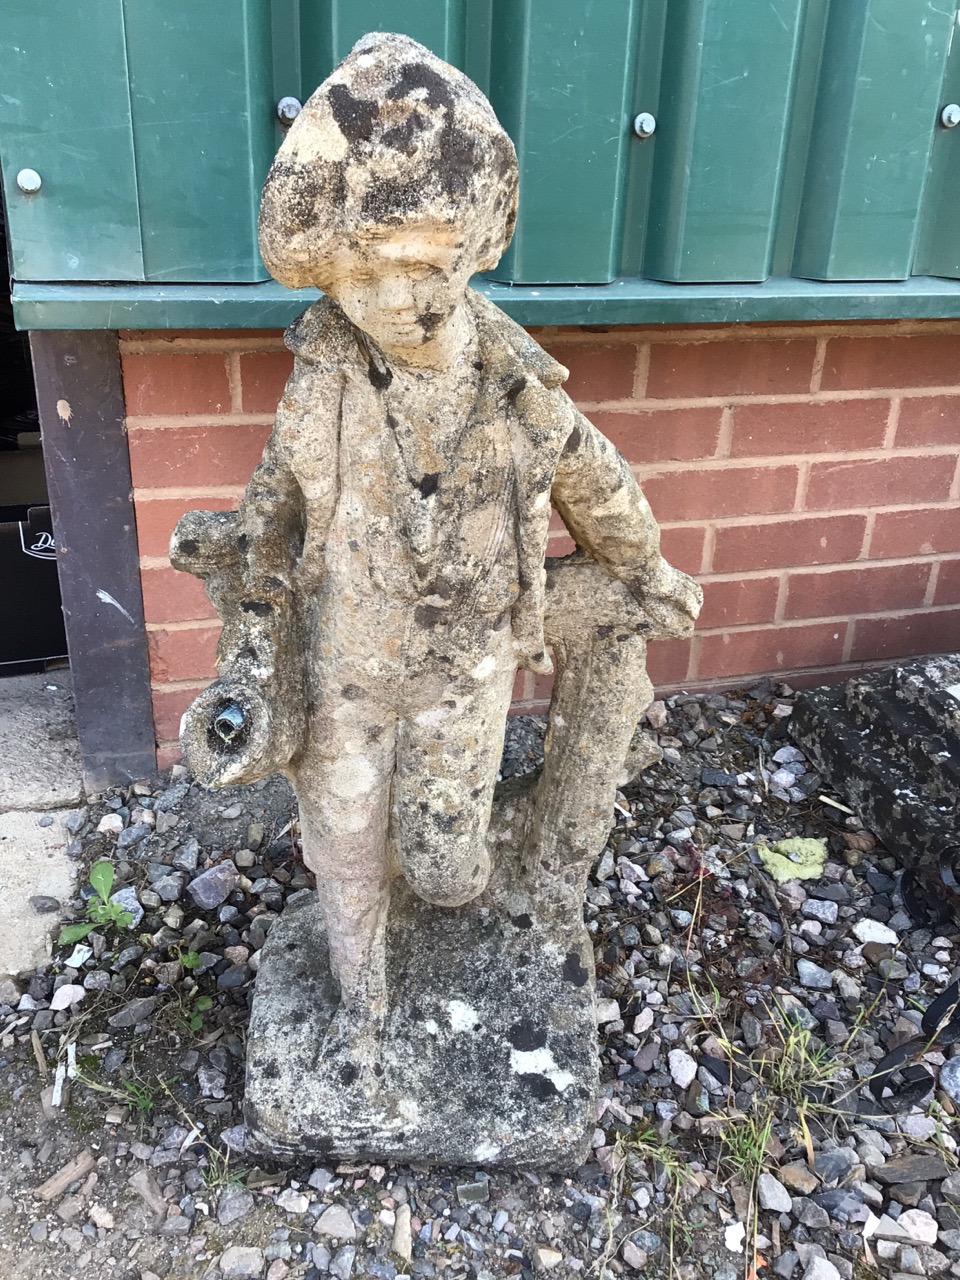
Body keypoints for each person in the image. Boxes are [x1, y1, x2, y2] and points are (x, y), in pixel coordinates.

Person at [176, 32, 701, 1079]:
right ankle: (360, 1004)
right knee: (343, 843)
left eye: (433, 265)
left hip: (466, 665)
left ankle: (503, 873)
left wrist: (644, 567)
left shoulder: (516, 389)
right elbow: (281, 491)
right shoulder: (324, 377)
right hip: (345, 665)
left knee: (445, 860)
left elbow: (597, 478)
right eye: (369, 270)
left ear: (475, 247)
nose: (405, 297)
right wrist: (243, 539)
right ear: (329, 268)